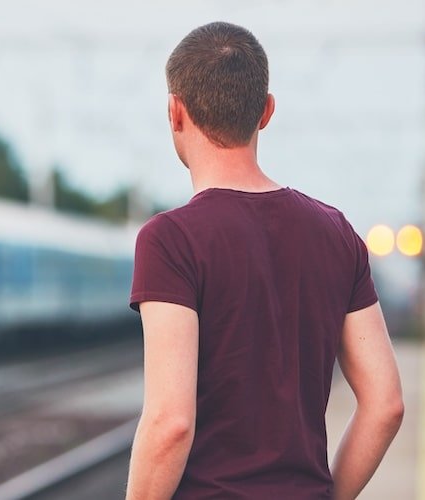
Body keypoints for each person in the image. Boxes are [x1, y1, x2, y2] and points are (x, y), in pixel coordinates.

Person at [125, 22, 405, 500]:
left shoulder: (170, 241)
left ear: (175, 112)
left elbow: (170, 422)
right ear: (266, 111)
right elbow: (386, 405)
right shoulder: (337, 233)